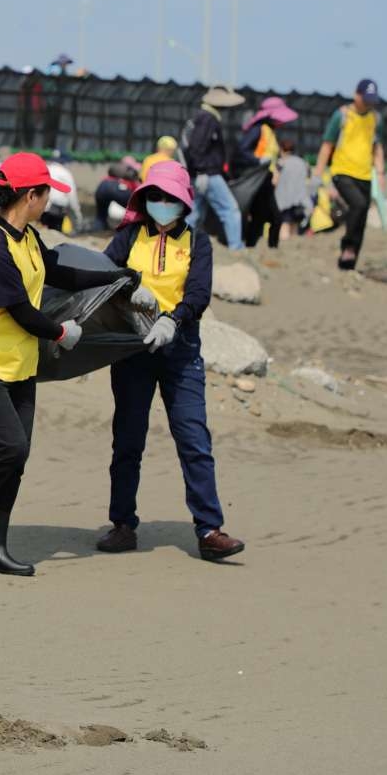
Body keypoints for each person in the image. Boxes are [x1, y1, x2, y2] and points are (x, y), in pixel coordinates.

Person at [0, 152, 143, 576]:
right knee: (8, 447)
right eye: (47, 192)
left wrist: (114, 277)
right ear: (30, 195)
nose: (51, 200)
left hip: (20, 365)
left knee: (19, 456)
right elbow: (19, 310)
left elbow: (60, 274)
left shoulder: (28, 239)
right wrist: (60, 333)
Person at [98, 161, 245, 562]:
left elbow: (198, 294)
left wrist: (172, 318)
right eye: (155, 197)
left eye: (170, 198)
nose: (162, 204)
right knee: (127, 440)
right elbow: (102, 275)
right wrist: (132, 289)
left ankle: (209, 529)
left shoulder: (198, 242)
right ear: (144, 199)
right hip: (133, 350)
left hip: (180, 352)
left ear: (183, 202)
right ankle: (122, 525)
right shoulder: (129, 236)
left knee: (194, 439)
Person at [315, 79, 385, 270]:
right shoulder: (341, 116)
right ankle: (347, 247)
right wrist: (318, 175)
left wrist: (380, 174)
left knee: (362, 215)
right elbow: (326, 145)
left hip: (365, 175)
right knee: (358, 204)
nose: (369, 103)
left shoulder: (376, 119)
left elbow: (377, 148)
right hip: (342, 171)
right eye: (366, 98)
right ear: (356, 95)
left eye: (372, 99)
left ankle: (350, 262)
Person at [183, 85, 246, 250]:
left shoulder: (202, 117)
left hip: (199, 174)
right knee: (230, 210)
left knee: (194, 213)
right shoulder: (208, 118)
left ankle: (180, 245)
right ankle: (236, 248)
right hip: (208, 174)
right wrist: (202, 171)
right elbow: (196, 148)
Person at [238, 96, 297, 249]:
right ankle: (269, 248)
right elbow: (242, 150)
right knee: (273, 217)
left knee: (263, 217)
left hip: (266, 179)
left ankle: (256, 247)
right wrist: (257, 160)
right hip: (258, 180)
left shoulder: (270, 131)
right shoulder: (258, 129)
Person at [273, 137, 311, 241]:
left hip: (284, 201)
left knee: (284, 226)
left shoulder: (280, 163)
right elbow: (308, 179)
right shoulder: (303, 163)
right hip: (301, 200)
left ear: (281, 149)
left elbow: (274, 181)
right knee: (295, 228)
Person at [40, 153, 81, 233]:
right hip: (57, 209)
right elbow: (72, 195)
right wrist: (77, 212)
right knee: (55, 231)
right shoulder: (65, 173)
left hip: (42, 205)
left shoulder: (46, 169)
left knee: (42, 229)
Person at [94, 163, 139, 228]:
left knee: (101, 215)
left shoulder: (107, 178)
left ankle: (98, 229)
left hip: (102, 187)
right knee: (135, 209)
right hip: (118, 188)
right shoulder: (130, 175)